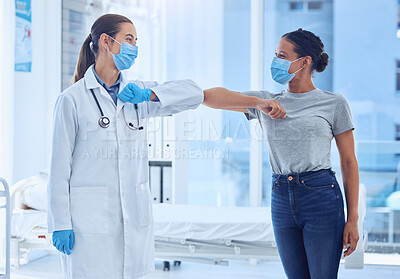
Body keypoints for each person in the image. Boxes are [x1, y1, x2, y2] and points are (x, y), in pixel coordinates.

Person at [47, 14, 203, 279]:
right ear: (106, 42)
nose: (134, 47)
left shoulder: (136, 93)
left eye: (136, 41)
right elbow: (59, 168)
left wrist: (150, 95)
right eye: (128, 39)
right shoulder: (71, 100)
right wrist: (60, 223)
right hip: (88, 223)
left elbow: (194, 93)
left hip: (134, 218)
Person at [202, 28, 359, 279]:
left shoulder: (334, 103)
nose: (275, 61)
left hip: (321, 196)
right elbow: (208, 97)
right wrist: (257, 104)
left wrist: (353, 218)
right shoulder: (267, 100)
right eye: (275, 55)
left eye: (282, 55)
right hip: (281, 199)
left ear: (305, 61)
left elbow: (349, 162)